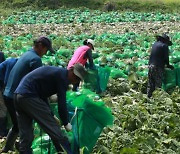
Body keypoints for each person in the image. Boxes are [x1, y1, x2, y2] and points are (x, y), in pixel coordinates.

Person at [14, 63, 87, 154]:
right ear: (71, 70)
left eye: (77, 79)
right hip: (29, 96)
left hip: (19, 95)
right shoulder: (62, 77)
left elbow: (43, 95)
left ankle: (24, 152)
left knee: (26, 134)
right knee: (55, 130)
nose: (74, 80)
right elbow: (62, 102)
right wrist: (66, 122)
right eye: (75, 77)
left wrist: (51, 114)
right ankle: (67, 151)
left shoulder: (57, 73)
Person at [1, 36, 54, 153]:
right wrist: (48, 110)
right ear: (40, 46)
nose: (45, 54)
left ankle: (7, 148)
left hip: (8, 94)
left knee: (17, 124)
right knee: (26, 128)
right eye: (46, 50)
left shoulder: (26, 54)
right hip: (17, 96)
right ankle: (24, 150)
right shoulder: (35, 59)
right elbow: (39, 86)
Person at [147, 34, 174, 98]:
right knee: (158, 84)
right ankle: (157, 99)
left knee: (150, 83)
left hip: (150, 65)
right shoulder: (164, 46)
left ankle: (148, 98)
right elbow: (166, 57)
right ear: (165, 41)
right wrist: (168, 65)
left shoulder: (155, 44)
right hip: (157, 66)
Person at [0, 58, 18, 138]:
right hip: (1, 84)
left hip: (2, 84)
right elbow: (7, 80)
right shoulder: (12, 63)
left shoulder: (14, 62)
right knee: (3, 108)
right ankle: (2, 132)